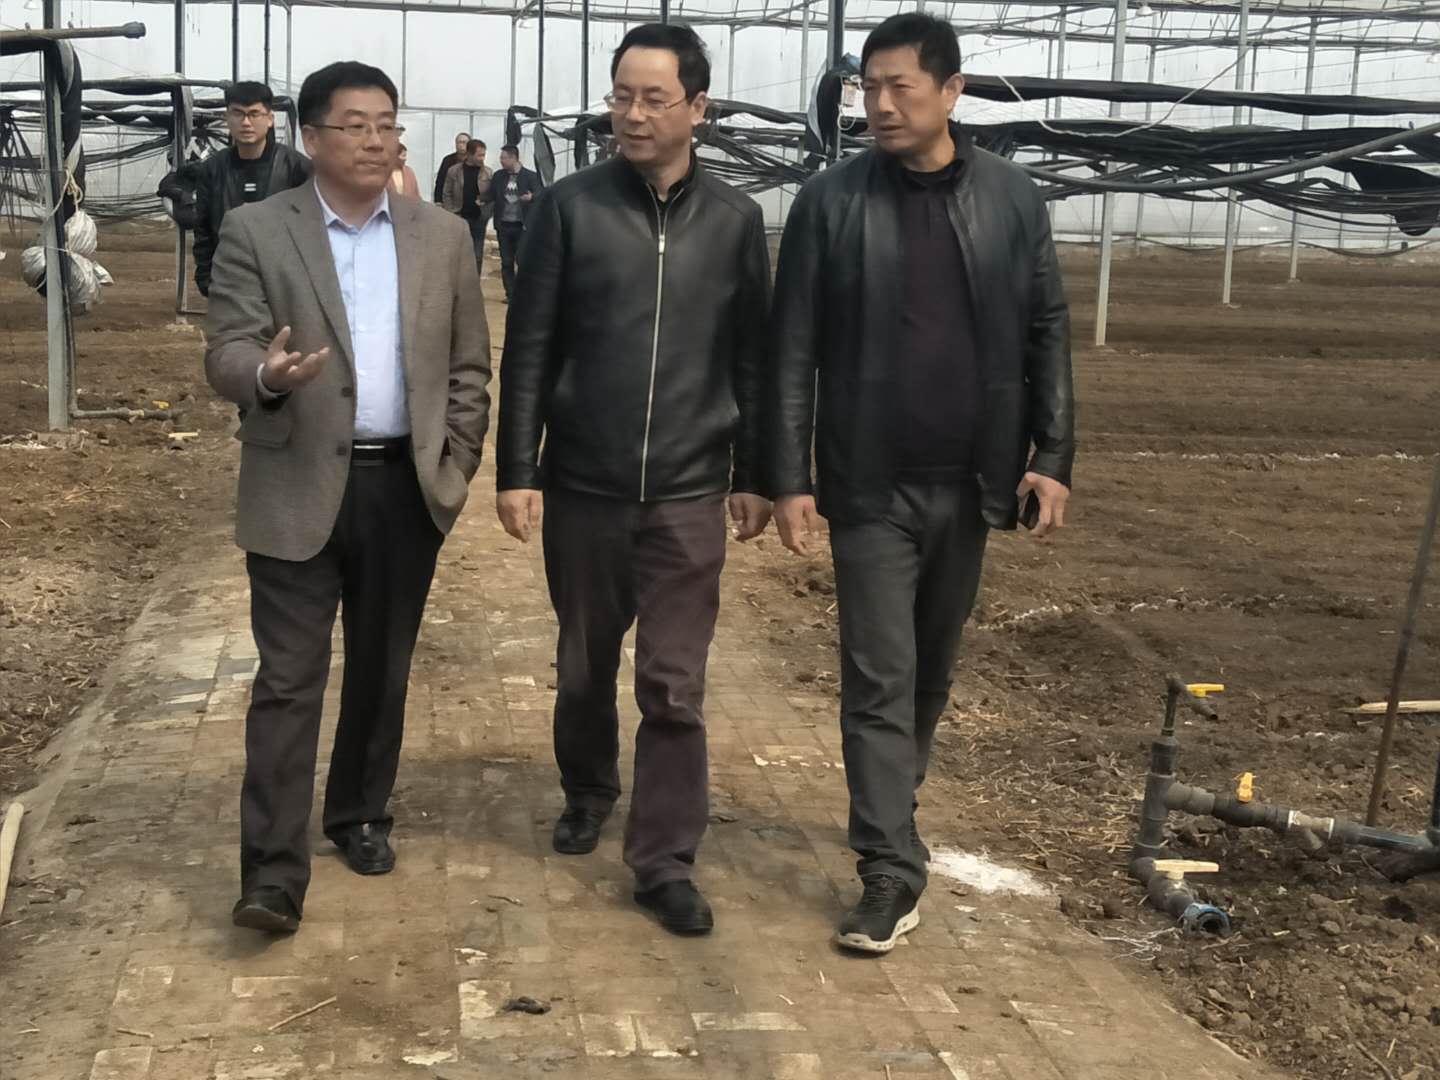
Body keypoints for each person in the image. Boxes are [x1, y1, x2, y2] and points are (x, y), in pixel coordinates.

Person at [768, 13, 1074, 954]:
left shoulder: (1012, 199)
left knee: (928, 674)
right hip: (868, 484)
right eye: (870, 86)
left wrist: (1053, 454)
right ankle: (890, 867)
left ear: (951, 91)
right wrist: (788, 476)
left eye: (901, 86)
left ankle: (892, 802)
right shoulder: (830, 202)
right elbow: (792, 348)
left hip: (972, 482)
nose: (882, 103)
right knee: (878, 676)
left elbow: (1046, 326)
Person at [496, 23, 771, 936]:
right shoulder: (569, 209)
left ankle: (663, 861)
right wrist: (518, 469)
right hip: (586, 483)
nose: (634, 114)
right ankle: (587, 789)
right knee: (584, 662)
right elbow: (531, 347)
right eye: (622, 96)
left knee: (674, 682)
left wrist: (756, 472)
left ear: (698, 107)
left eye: (655, 98)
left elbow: (753, 357)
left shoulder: (734, 221)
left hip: (689, 489)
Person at [205, 61, 491, 934]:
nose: (375, 140)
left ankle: (360, 813)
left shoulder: (442, 235)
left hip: (403, 487)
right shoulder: (259, 228)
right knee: (288, 681)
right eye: (355, 125)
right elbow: (227, 347)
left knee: (381, 667)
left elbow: (470, 365)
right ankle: (271, 874)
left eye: (386, 124)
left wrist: (455, 461)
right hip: (295, 481)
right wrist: (267, 375)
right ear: (311, 136)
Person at [192, 81, 311, 297]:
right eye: (238, 114)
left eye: (254, 114)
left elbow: (312, 229)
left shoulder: (297, 168)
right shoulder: (213, 169)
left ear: (270, 119)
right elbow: (203, 228)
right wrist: (206, 279)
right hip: (230, 282)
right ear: (227, 118)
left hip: (283, 286)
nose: (246, 122)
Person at [489, 144, 542, 301]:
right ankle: (510, 294)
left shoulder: (530, 176)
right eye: (501, 157)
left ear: (514, 158)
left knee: (522, 260)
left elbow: (541, 193)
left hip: (522, 226)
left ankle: (523, 293)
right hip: (503, 225)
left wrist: (532, 197)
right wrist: (481, 200)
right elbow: (491, 194)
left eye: (504, 158)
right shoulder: (499, 176)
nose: (501, 161)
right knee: (506, 262)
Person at [442, 138, 494, 264]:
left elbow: (493, 195)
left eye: (484, 155)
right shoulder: (454, 171)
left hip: (479, 219)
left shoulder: (487, 173)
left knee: (477, 255)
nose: (482, 158)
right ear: (470, 154)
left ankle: (475, 277)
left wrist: (487, 213)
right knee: (458, 254)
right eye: (479, 155)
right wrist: (451, 213)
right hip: (459, 218)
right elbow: (447, 193)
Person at [433, 130, 469, 203]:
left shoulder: (474, 160)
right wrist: (438, 200)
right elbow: (440, 181)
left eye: (464, 142)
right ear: (456, 144)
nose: (462, 145)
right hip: (449, 202)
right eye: (460, 142)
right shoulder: (448, 160)